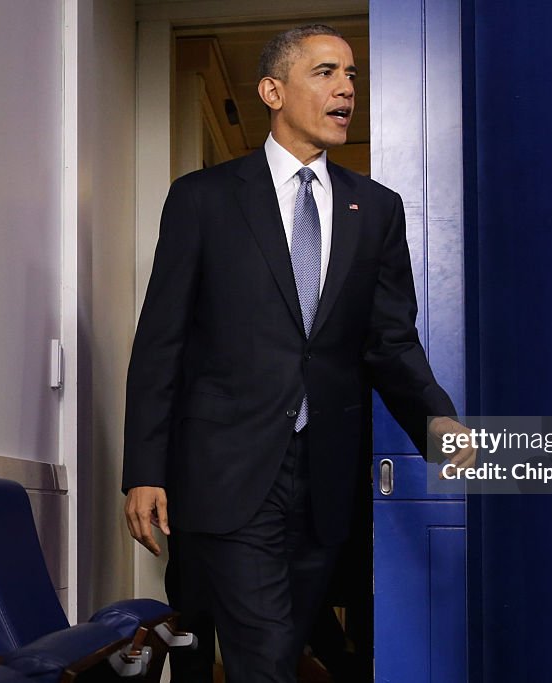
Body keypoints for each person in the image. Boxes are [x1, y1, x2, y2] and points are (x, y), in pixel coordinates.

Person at [122, 24, 474, 683]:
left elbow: (391, 342)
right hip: (224, 473)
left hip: (323, 483)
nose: (345, 86)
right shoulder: (204, 199)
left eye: (350, 74)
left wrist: (437, 417)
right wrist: (144, 467)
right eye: (325, 72)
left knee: (282, 649)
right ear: (272, 90)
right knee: (262, 656)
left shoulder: (377, 210)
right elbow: (160, 341)